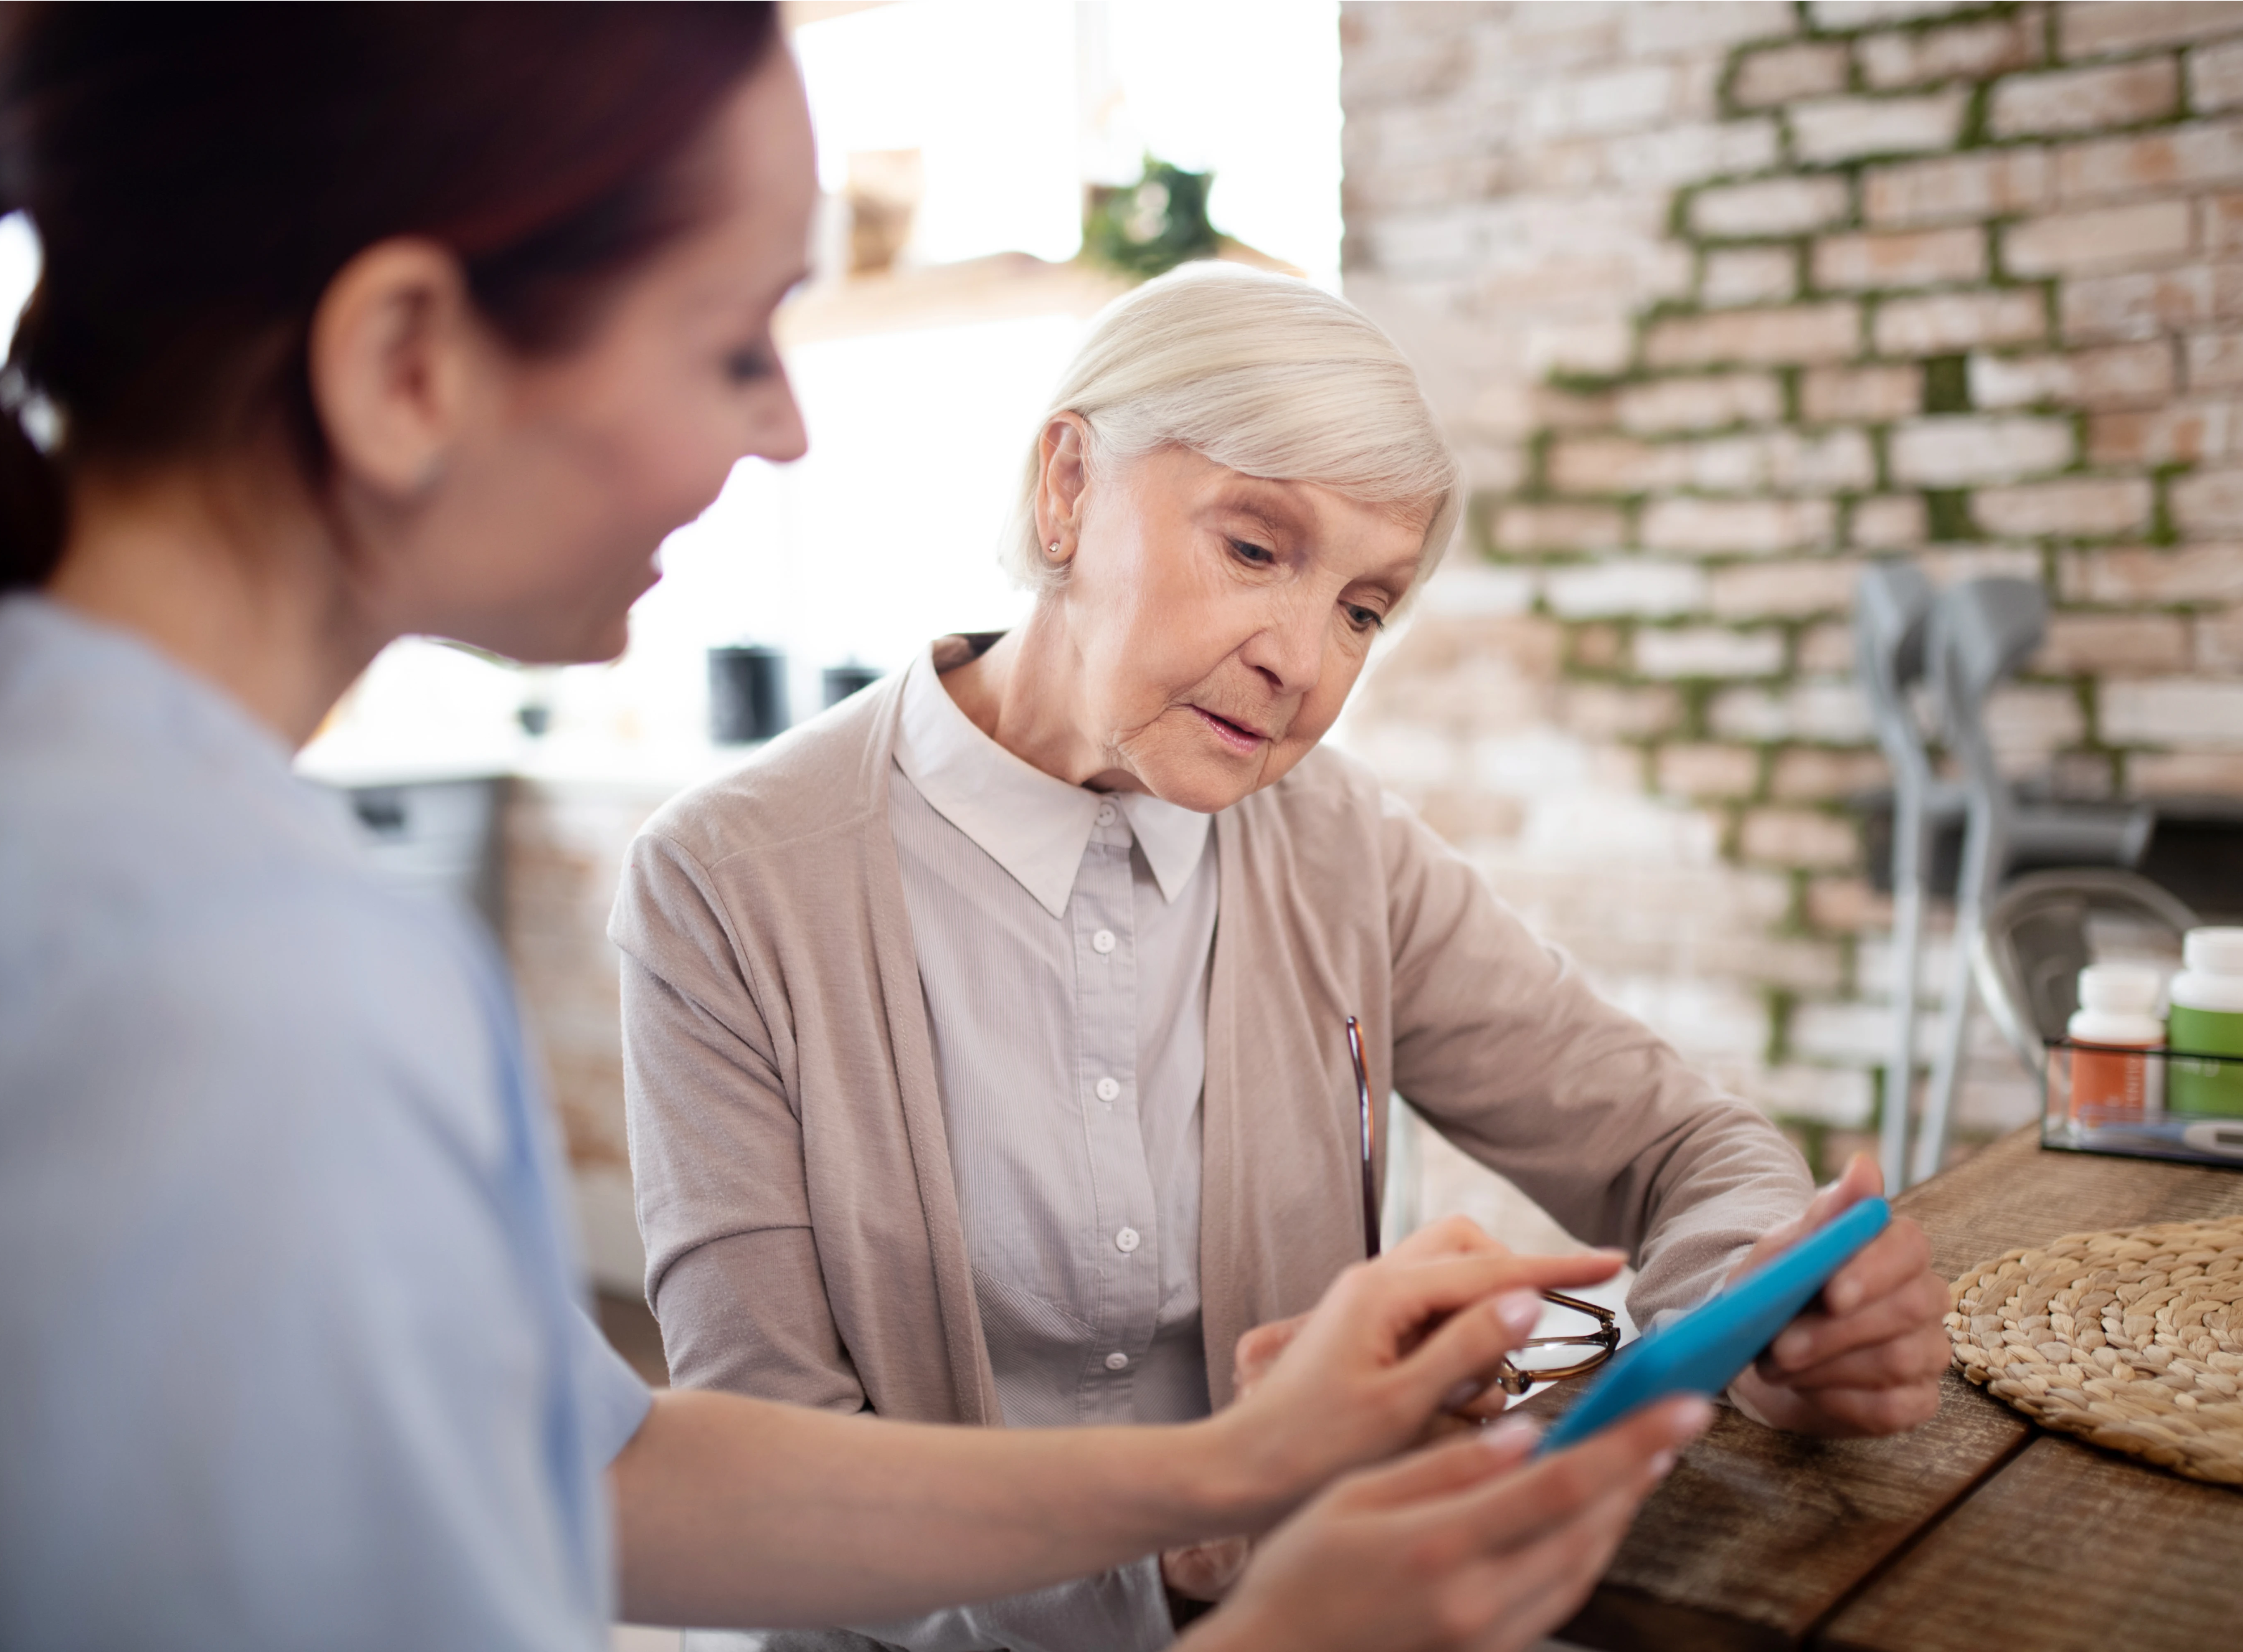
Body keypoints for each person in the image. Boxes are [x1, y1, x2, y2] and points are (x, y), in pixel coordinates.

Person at [0, 3, 1721, 1648]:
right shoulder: (218, 981)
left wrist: (1239, 1471)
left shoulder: (148, 856)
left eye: (1366, 605)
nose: (794, 432)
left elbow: (617, 1473)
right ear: (409, 360)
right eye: (736, 340)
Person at [616, 271, 1952, 1649]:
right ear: (1068, 487)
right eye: (1256, 551)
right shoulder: (728, 885)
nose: (1302, 663)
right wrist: (1199, 1565)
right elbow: (763, 1489)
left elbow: (1685, 1146)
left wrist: (1764, 1318)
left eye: (1364, 610)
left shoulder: (1342, 848)